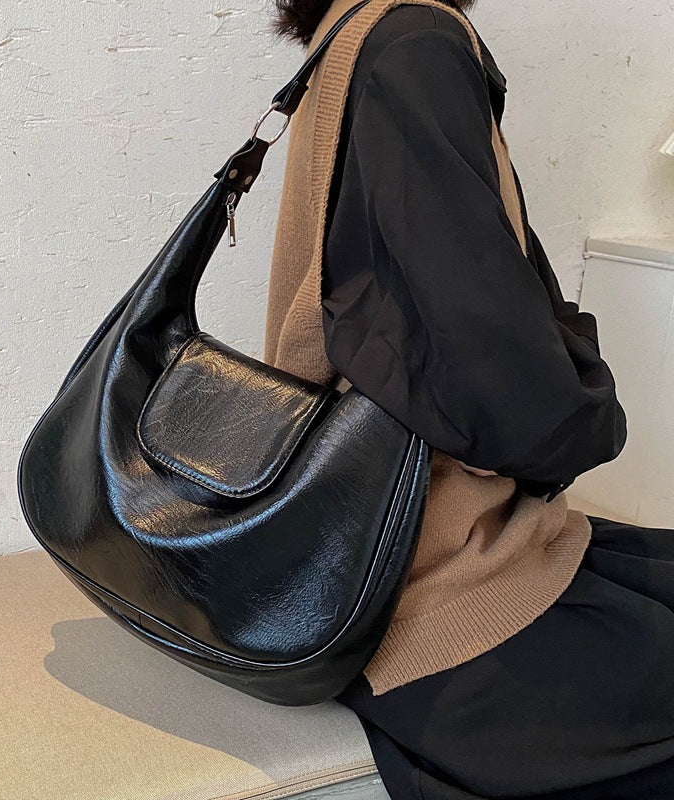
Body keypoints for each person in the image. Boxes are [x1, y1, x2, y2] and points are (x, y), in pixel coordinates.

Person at [266, 1, 674, 797]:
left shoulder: (355, 28)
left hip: (382, 553)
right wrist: (593, 414)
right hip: (438, 595)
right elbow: (502, 375)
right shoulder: (414, 41)